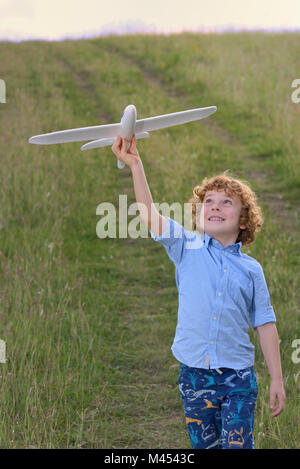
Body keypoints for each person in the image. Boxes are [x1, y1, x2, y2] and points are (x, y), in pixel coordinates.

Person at [111, 134, 286, 449]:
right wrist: (136, 165)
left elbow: (265, 323)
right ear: (199, 213)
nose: (215, 207)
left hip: (238, 379)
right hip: (194, 377)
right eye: (209, 202)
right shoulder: (185, 246)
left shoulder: (251, 270)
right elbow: (150, 214)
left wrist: (277, 378)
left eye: (226, 202)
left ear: (244, 220)